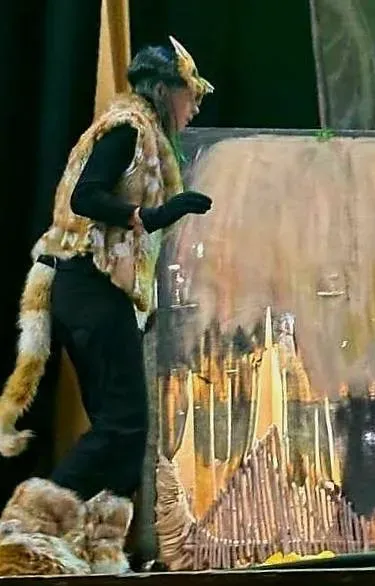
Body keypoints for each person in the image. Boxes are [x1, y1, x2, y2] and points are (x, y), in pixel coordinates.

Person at [0, 37, 213, 505]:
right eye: (191, 93)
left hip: (87, 287)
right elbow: (86, 196)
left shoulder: (141, 133)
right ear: (165, 90)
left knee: (122, 435)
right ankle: (27, 520)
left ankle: (92, 533)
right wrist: (145, 216)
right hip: (89, 282)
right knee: (124, 425)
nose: (195, 106)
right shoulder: (128, 129)